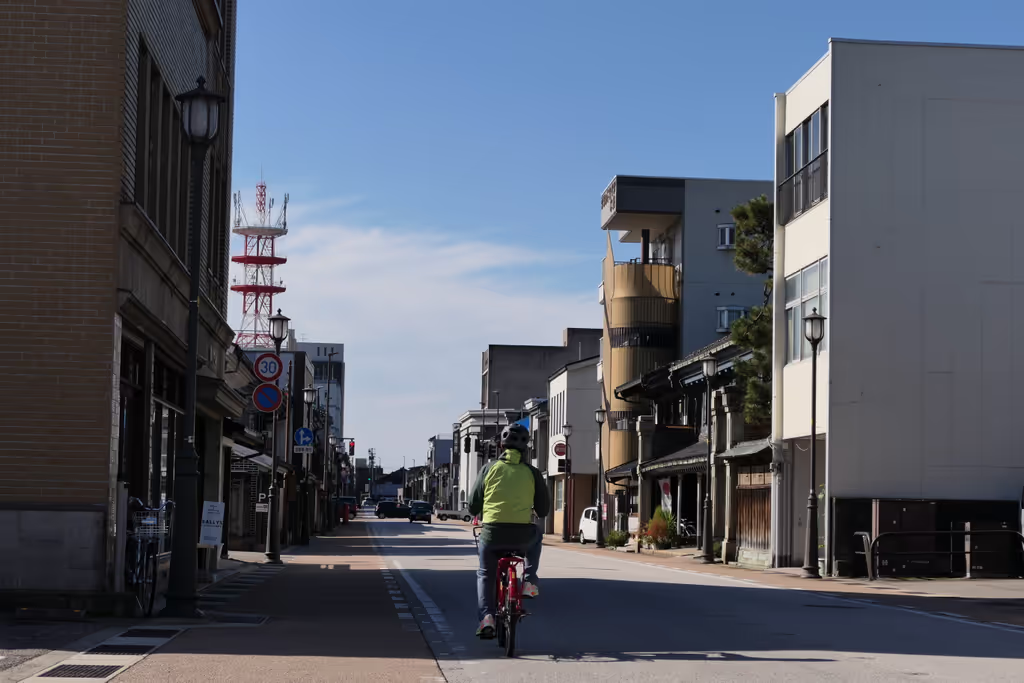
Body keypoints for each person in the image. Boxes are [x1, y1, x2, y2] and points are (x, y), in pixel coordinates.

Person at [468, 422, 549, 639]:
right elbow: (543, 510)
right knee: (536, 534)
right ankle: (529, 581)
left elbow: (473, 505)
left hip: (492, 533)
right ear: (526, 448)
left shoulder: (489, 468)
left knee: (486, 574)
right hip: (522, 536)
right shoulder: (532, 473)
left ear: (501, 446)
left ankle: (487, 618)